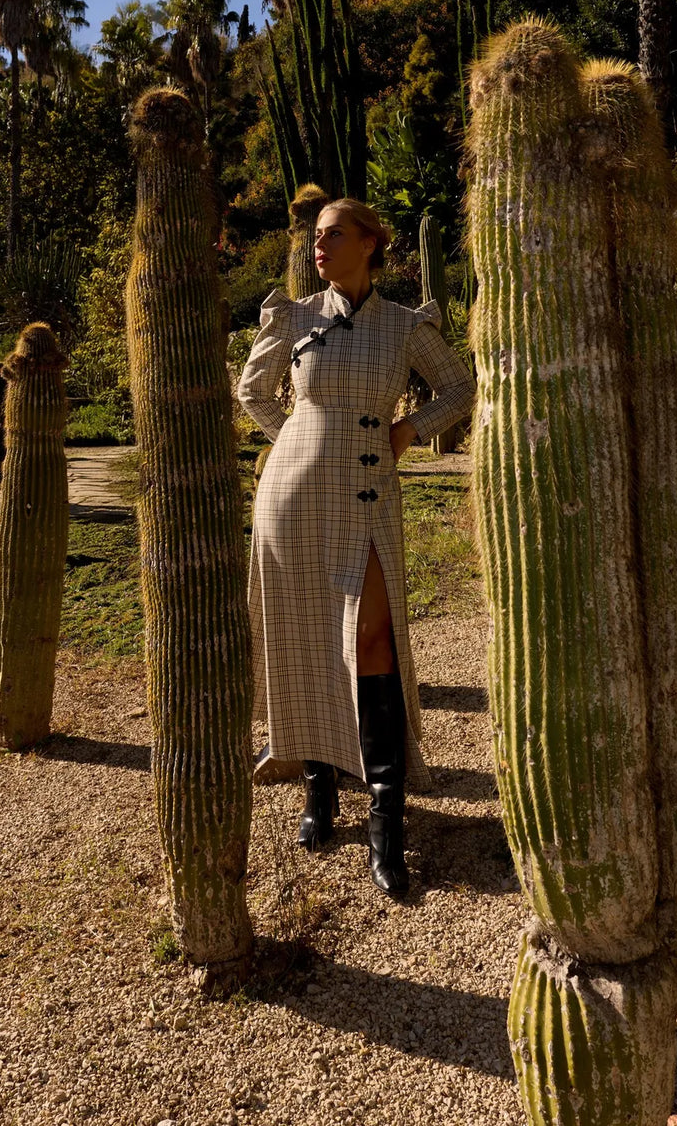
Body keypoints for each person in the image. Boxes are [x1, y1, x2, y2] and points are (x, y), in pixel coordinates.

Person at [237, 199, 476, 895]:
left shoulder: (405, 325)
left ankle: (385, 819)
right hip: (293, 497)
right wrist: (296, 435)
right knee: (309, 638)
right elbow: (252, 389)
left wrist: (410, 430)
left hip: (368, 497)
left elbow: (459, 387)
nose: (320, 244)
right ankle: (318, 791)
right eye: (315, 236)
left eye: (334, 234)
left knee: (373, 640)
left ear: (370, 243)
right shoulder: (294, 315)